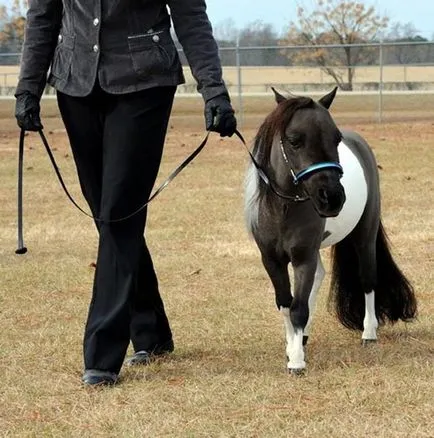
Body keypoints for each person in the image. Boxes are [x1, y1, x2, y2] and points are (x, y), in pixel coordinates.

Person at [14, 0, 237, 386]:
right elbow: (43, 16)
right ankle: (152, 332)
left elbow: (190, 16)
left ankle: (102, 355)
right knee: (109, 214)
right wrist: (27, 88)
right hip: (75, 84)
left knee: (118, 212)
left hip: (145, 83)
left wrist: (213, 90)